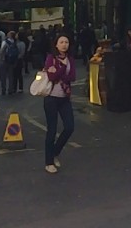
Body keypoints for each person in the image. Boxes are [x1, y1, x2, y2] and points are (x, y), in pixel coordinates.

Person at [43, 34, 77, 174]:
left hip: (64, 98)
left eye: (66, 42)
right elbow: (51, 76)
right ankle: (49, 162)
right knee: (52, 130)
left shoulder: (70, 59)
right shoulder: (51, 58)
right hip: (51, 98)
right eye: (61, 42)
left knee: (69, 127)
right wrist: (61, 69)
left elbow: (72, 77)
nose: (64, 44)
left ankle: (55, 151)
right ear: (56, 45)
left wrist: (59, 71)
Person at [0, 30, 18, 95]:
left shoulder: (5, 42)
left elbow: (1, 51)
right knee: (10, 76)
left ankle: (3, 89)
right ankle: (10, 89)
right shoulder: (15, 42)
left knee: (3, 76)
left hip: (4, 60)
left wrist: (1, 58)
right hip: (11, 61)